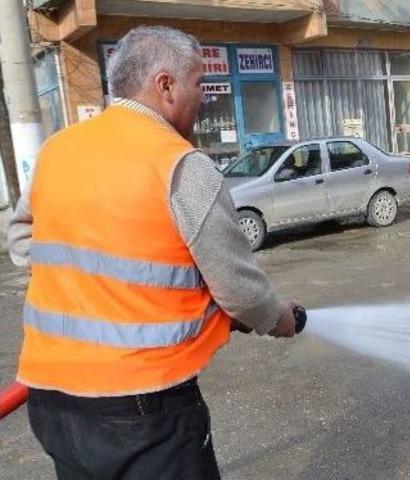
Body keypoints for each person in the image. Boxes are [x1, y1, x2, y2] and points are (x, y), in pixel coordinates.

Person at [5, 26, 300, 479]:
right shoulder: (179, 164)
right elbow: (238, 290)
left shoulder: (58, 150)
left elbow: (23, 238)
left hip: (52, 403)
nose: (204, 97)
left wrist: (83, 284)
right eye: (200, 83)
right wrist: (279, 319)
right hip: (142, 411)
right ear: (166, 85)